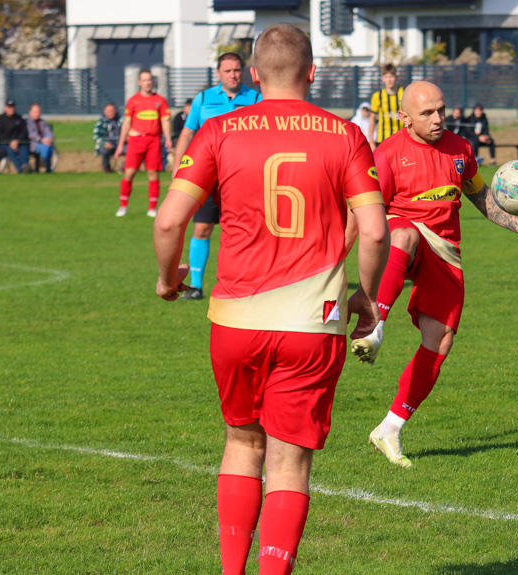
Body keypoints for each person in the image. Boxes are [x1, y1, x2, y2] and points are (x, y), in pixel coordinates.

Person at [153, 23, 389, 575]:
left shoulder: (218, 130)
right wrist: (367, 297)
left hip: (236, 319)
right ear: (313, 73)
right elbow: (375, 232)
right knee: (289, 462)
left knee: (241, 444)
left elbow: (168, 223)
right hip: (315, 319)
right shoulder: (345, 135)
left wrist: (170, 279)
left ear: (254, 75)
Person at [346, 81, 518, 468]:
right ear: (403, 117)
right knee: (406, 232)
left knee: (439, 341)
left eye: (441, 110)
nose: (438, 118)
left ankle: (389, 429)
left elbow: (481, 196)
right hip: (403, 235)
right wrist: (337, 257)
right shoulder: (389, 153)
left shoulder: (461, 150)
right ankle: (376, 323)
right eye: (427, 113)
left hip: (445, 249)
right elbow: (365, 211)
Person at [173, 53, 262, 301]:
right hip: (209, 176)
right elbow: (187, 134)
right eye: (228, 71)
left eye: (237, 70)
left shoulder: (256, 98)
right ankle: (196, 286)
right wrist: (178, 167)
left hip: (243, 178)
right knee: (201, 228)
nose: (233, 75)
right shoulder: (204, 98)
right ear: (218, 73)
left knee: (245, 231)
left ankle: (247, 284)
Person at [114, 69, 172, 217]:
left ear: (153, 81)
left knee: (153, 174)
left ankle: (152, 208)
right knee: (129, 172)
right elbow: (126, 123)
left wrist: (168, 139)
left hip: (153, 140)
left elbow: (165, 121)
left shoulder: (160, 101)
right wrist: (121, 144)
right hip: (135, 140)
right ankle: (123, 206)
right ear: (139, 82)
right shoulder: (133, 101)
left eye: (150, 80)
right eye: (144, 80)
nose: (147, 83)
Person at [369, 64, 404, 149]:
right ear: (382, 79)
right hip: (383, 139)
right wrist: (371, 141)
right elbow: (372, 119)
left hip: (401, 139)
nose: (389, 80)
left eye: (391, 76)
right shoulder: (378, 96)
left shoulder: (404, 93)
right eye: (386, 77)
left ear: (396, 77)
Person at [0, 99, 31, 173]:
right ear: (5, 108)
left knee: (24, 148)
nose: (11, 109)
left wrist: (17, 141)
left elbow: (24, 132)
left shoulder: (19, 119)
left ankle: (24, 165)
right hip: (4, 143)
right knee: (10, 150)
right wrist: (11, 142)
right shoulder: (0, 119)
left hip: (19, 142)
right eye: (9, 107)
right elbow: (0, 134)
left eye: (12, 107)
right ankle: (20, 169)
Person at [26, 103, 56, 173]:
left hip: (45, 143)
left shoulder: (43, 122)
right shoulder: (27, 122)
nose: (37, 113)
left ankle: (43, 160)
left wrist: (50, 138)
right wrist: (41, 140)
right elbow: (31, 135)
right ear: (30, 112)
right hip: (33, 144)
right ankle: (46, 165)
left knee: (47, 145)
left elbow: (48, 132)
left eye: (39, 111)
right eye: (35, 112)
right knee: (47, 147)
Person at [93, 103, 122, 174]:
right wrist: (105, 143)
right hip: (108, 145)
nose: (111, 113)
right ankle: (107, 168)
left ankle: (124, 168)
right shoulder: (101, 123)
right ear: (105, 112)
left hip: (121, 144)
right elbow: (96, 136)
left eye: (112, 111)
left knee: (132, 150)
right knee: (104, 150)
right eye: (109, 111)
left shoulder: (121, 121)